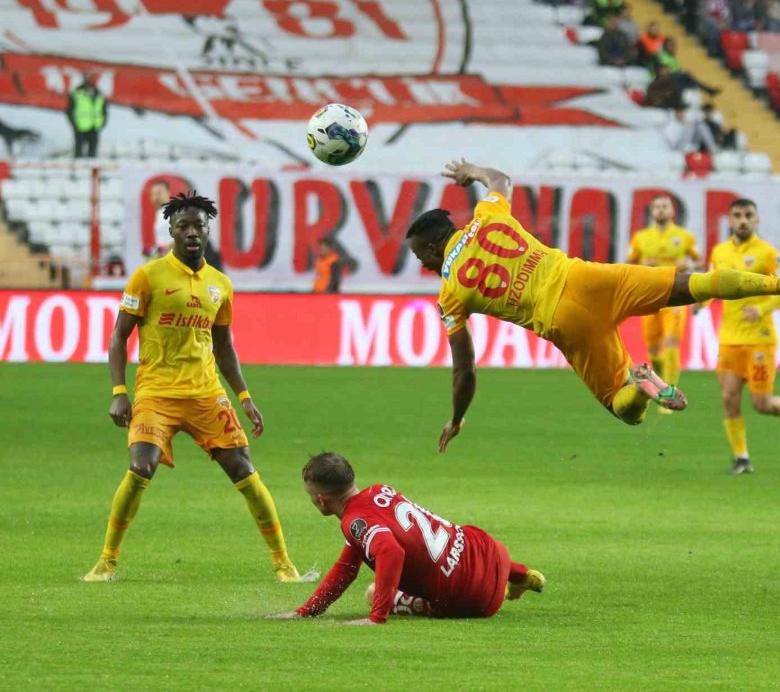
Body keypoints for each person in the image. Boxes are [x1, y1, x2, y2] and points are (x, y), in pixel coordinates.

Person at [406, 159, 780, 452]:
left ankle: (640, 382)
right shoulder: (487, 216)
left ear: (430, 249)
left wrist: (457, 418)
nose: (421, 263)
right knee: (695, 283)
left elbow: (465, 368)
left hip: (564, 320)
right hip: (588, 278)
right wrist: (472, 171)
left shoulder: (450, 294)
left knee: (623, 405)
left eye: (419, 255)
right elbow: (500, 179)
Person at [83, 192, 305, 583]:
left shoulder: (220, 284)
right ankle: (106, 561)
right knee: (140, 467)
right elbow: (119, 336)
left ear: (208, 231)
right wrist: (119, 392)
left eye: (198, 226)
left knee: (245, 471)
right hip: (156, 392)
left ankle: (284, 564)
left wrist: (245, 397)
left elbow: (224, 347)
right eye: (183, 226)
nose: (191, 233)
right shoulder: (147, 276)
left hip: (206, 394)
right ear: (170, 230)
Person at [271, 453, 545, 624]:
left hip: (477, 600)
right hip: (491, 552)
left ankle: (503, 587)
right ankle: (521, 574)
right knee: (454, 542)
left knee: (372, 594)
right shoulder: (378, 491)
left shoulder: (355, 522)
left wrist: (376, 617)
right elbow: (346, 568)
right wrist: (307, 611)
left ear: (321, 499)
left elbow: (391, 552)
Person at [699, 198, 780, 475]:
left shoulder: (768, 253)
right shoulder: (719, 252)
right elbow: (711, 284)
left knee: (761, 403)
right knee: (729, 398)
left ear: (757, 219)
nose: (743, 220)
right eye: (737, 215)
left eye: (748, 215)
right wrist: (700, 302)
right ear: (729, 220)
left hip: (760, 339)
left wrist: (762, 308)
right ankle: (742, 458)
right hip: (729, 339)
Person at [627, 195, 702, 413]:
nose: (661, 210)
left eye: (665, 206)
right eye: (657, 207)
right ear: (652, 212)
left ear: (672, 211)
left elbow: (699, 260)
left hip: (675, 297)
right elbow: (628, 264)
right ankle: (659, 381)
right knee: (653, 349)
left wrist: (688, 265)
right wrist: (644, 265)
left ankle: (670, 395)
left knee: (670, 342)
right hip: (650, 297)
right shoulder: (641, 238)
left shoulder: (684, 237)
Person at [66, 72, 107, 159]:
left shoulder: (100, 95)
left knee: (92, 153)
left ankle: (91, 166)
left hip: (94, 126)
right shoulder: (76, 94)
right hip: (80, 126)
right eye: (89, 79)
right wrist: (74, 124)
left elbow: (104, 111)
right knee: (79, 152)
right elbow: (69, 111)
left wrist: (102, 123)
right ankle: (78, 166)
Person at [145, 179, 173, 260]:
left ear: (168, 193)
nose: (156, 197)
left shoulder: (174, 212)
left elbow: (184, 236)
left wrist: (166, 247)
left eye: (159, 193)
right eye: (153, 194)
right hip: (164, 259)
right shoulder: (159, 214)